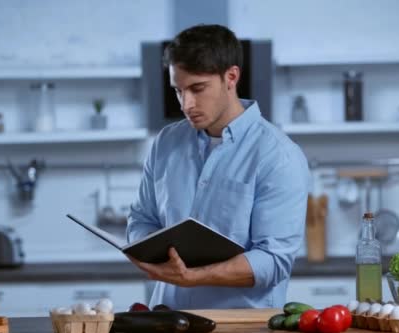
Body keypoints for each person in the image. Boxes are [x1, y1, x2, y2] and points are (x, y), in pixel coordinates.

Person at [127, 24, 309, 309]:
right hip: (168, 321)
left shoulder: (279, 156)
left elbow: (273, 261)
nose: (187, 104)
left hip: (242, 330)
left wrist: (195, 276)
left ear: (231, 77)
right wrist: (148, 252)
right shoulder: (166, 143)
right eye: (178, 90)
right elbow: (141, 219)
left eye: (198, 89)